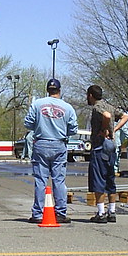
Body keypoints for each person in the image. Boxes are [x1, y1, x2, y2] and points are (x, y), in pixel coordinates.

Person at [23, 78, 77, 224]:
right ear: (59, 91)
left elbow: (28, 123)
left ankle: (38, 214)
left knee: (40, 180)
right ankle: (60, 212)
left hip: (41, 143)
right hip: (59, 144)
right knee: (59, 180)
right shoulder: (68, 107)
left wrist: (40, 126)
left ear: (48, 90)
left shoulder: (37, 104)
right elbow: (73, 129)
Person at [84, 85, 128, 224]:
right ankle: (112, 211)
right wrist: (114, 130)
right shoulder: (109, 105)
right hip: (112, 147)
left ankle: (101, 213)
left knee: (99, 179)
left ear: (91, 95)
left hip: (100, 146)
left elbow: (107, 115)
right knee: (110, 179)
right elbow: (125, 116)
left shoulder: (98, 107)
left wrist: (105, 129)